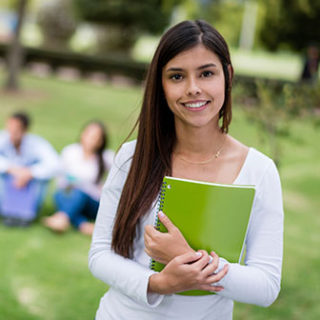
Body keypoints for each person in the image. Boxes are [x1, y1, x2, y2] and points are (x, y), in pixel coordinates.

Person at [89, 20, 284, 319]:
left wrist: (185, 258)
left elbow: (266, 287)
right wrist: (159, 283)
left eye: (206, 73)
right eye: (177, 76)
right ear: (161, 85)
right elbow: (100, 255)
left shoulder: (259, 171)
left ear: (227, 76)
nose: (193, 89)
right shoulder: (133, 157)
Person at [42, 121, 114, 236]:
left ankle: (61, 218)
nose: (90, 139)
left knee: (78, 193)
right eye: (88, 134)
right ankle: (82, 225)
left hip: (92, 201)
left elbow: (117, 182)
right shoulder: (70, 151)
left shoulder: (107, 157)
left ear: (101, 141)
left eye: (95, 137)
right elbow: (60, 179)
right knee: (61, 195)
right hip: (69, 194)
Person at [0, 112, 59, 226]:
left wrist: (29, 173)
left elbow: (54, 164)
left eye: (16, 129)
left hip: (28, 187)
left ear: (25, 130)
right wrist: (11, 169)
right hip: (7, 184)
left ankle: (26, 215)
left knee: (42, 178)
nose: (12, 132)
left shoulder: (37, 143)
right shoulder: (2, 138)